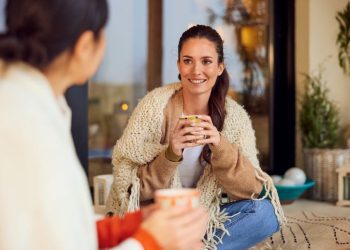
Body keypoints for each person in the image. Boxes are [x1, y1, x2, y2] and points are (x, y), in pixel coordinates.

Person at [0, 0, 208, 249]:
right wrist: (151, 241)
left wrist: (130, 226)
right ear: (85, 45)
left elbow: (54, 233)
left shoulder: (34, 105)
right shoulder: (26, 127)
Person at [106, 24, 286, 250]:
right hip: (156, 215)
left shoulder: (235, 118)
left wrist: (220, 146)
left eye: (206, 61)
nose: (196, 70)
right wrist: (171, 154)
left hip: (203, 217)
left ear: (220, 67)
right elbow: (131, 192)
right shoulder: (154, 107)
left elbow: (251, 190)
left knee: (265, 213)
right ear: (179, 65)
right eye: (188, 60)